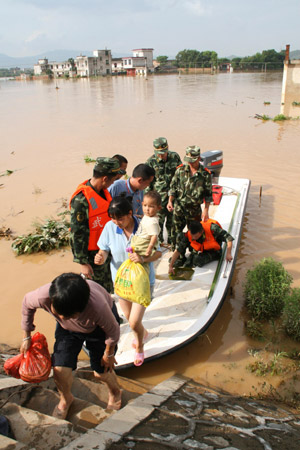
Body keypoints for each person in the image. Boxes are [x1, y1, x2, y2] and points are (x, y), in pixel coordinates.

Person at [20, 273, 122, 419]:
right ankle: (66, 398)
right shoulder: (43, 297)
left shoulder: (98, 307)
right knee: (59, 368)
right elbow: (26, 303)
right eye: (58, 313)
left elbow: (113, 331)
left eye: (68, 316)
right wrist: (27, 336)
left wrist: (109, 354)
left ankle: (115, 392)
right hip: (67, 330)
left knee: (101, 372)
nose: (61, 317)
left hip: (98, 330)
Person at [94, 197, 162, 367]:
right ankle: (143, 333)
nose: (116, 222)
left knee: (133, 322)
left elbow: (158, 253)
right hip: (122, 283)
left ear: (130, 213)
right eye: (113, 218)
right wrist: (101, 257)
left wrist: (143, 258)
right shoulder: (110, 227)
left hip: (142, 282)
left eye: (120, 218)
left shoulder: (146, 226)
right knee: (130, 318)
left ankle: (139, 345)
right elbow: (104, 250)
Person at [70, 157, 122, 292]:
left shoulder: (103, 193)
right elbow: (77, 234)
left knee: (110, 287)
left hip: (106, 249)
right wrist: (83, 263)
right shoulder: (81, 200)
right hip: (93, 257)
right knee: (97, 291)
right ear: (105, 178)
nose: (113, 183)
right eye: (112, 180)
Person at [167, 146, 213, 249]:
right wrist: (170, 201)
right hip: (179, 208)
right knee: (176, 232)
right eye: (188, 160)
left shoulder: (205, 174)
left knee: (195, 234)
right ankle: (177, 253)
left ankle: (193, 252)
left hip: (194, 210)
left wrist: (206, 210)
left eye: (193, 160)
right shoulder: (180, 171)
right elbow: (173, 187)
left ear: (199, 158)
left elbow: (208, 195)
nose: (190, 163)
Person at [145, 137, 182, 246]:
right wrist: (148, 200)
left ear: (167, 148)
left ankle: (171, 242)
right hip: (158, 197)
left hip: (173, 196)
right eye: (159, 153)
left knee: (172, 221)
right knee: (158, 222)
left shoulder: (175, 157)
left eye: (163, 153)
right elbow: (148, 183)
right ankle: (159, 242)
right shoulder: (150, 162)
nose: (161, 155)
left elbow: (180, 174)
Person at [168, 219, 234, 273]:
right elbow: (178, 249)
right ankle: (182, 259)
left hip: (214, 251)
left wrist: (228, 254)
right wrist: (171, 266)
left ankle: (193, 258)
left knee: (197, 260)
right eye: (192, 236)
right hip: (200, 247)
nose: (193, 238)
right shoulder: (190, 234)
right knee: (180, 236)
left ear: (201, 231)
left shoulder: (213, 229)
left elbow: (229, 238)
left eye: (196, 236)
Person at [130, 191, 161, 260]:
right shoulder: (148, 216)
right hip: (139, 239)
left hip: (144, 243)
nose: (147, 209)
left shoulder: (153, 222)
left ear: (158, 208)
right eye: (145, 205)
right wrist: (138, 216)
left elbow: (154, 236)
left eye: (151, 206)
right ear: (142, 204)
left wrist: (150, 247)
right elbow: (144, 218)